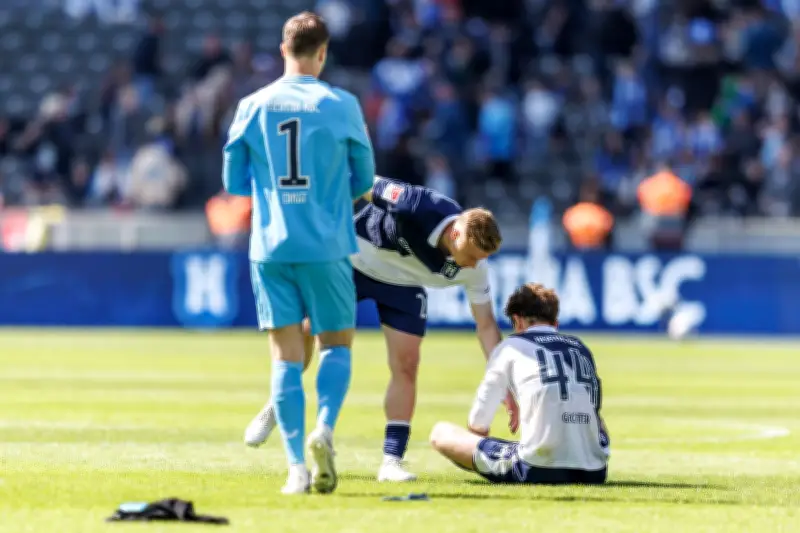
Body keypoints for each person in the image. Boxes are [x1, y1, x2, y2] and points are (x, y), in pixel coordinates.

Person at [244, 176, 520, 482]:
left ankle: (391, 462)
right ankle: (279, 403)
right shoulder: (417, 204)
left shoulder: (476, 267)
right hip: (353, 261)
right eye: (469, 255)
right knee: (308, 329)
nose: (472, 265)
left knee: (407, 364)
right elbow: (358, 179)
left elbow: (486, 326)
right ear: (455, 233)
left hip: (403, 285)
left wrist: (505, 383)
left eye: (480, 259)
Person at [222, 11, 375, 495]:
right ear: (323, 53)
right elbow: (365, 180)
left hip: (271, 246)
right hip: (327, 244)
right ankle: (324, 429)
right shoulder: (343, 104)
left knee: (285, 358)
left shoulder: (252, 105)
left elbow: (233, 183)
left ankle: (294, 470)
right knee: (335, 346)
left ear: (282, 50)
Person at [430, 283, 610, 485]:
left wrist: (479, 444)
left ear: (517, 321)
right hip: (594, 471)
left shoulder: (510, 347)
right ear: (555, 323)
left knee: (440, 432)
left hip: (538, 467)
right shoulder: (581, 347)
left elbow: (479, 423)